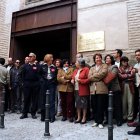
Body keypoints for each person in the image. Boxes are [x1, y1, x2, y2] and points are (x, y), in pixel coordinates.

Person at [88, 53, 108, 129]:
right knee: (94, 106)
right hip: (93, 89)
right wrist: (97, 77)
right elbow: (89, 77)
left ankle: (101, 122)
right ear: (94, 60)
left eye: (99, 57)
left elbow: (103, 74)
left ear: (101, 58)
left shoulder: (104, 66)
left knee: (101, 106)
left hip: (102, 89)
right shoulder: (92, 68)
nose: (98, 59)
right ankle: (96, 121)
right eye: (96, 58)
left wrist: (94, 76)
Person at [19, 53, 41, 119]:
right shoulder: (24, 66)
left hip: (35, 84)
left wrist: (39, 83)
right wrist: (22, 83)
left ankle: (33, 113)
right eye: (29, 56)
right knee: (26, 99)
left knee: (34, 99)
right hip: (27, 84)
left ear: (34, 57)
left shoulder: (38, 66)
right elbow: (21, 75)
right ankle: (24, 113)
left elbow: (40, 75)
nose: (29, 57)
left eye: (31, 56)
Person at [104, 54, 122, 126]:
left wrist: (103, 80)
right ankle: (108, 120)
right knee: (107, 106)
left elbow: (112, 76)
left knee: (117, 105)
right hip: (106, 89)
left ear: (111, 60)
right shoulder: (104, 67)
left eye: (108, 58)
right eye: (106, 58)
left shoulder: (114, 67)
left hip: (115, 88)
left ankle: (119, 120)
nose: (107, 59)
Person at [71, 58, 90, 124]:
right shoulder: (76, 70)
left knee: (84, 104)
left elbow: (89, 79)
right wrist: (72, 80)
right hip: (76, 89)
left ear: (80, 63)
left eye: (76, 62)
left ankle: (84, 117)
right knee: (78, 104)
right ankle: (79, 117)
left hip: (83, 89)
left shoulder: (86, 69)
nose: (75, 63)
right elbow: (73, 76)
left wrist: (80, 81)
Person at [40, 54, 57, 123]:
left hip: (51, 85)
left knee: (51, 100)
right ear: (48, 59)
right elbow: (39, 75)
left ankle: (52, 117)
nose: (52, 59)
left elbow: (56, 76)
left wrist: (52, 81)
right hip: (44, 84)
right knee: (43, 100)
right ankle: (43, 116)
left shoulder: (54, 67)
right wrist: (42, 81)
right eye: (51, 58)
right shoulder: (42, 66)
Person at [118, 56, 135, 124]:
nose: (125, 62)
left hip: (130, 86)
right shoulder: (119, 69)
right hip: (122, 86)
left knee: (130, 101)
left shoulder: (131, 68)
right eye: (124, 61)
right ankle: (124, 117)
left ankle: (130, 117)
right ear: (121, 62)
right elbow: (120, 77)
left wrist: (125, 76)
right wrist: (128, 75)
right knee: (123, 102)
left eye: (126, 61)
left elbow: (133, 76)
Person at [127, 49, 140, 135]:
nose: (137, 56)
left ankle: (138, 129)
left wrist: (137, 71)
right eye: (136, 55)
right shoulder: (136, 65)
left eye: (139, 55)